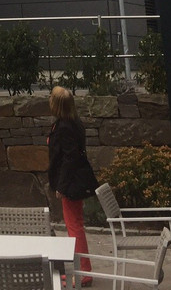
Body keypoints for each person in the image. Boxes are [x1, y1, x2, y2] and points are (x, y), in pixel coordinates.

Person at [48, 85, 99, 286]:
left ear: (57, 104)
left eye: (51, 97)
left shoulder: (64, 127)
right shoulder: (72, 122)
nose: (49, 100)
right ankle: (82, 270)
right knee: (75, 225)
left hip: (71, 184)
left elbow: (70, 158)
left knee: (74, 227)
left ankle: (83, 272)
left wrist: (61, 186)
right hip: (74, 182)